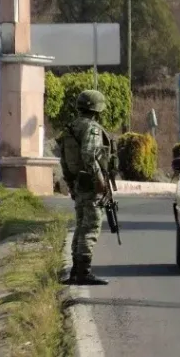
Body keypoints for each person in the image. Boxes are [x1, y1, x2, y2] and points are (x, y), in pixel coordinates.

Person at [57, 89, 112, 286]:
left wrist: (71, 183)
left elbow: (63, 159)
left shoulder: (70, 128)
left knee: (81, 226)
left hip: (78, 183)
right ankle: (83, 272)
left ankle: (76, 271)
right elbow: (89, 154)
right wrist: (99, 179)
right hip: (90, 184)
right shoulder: (91, 128)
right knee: (90, 227)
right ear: (97, 109)